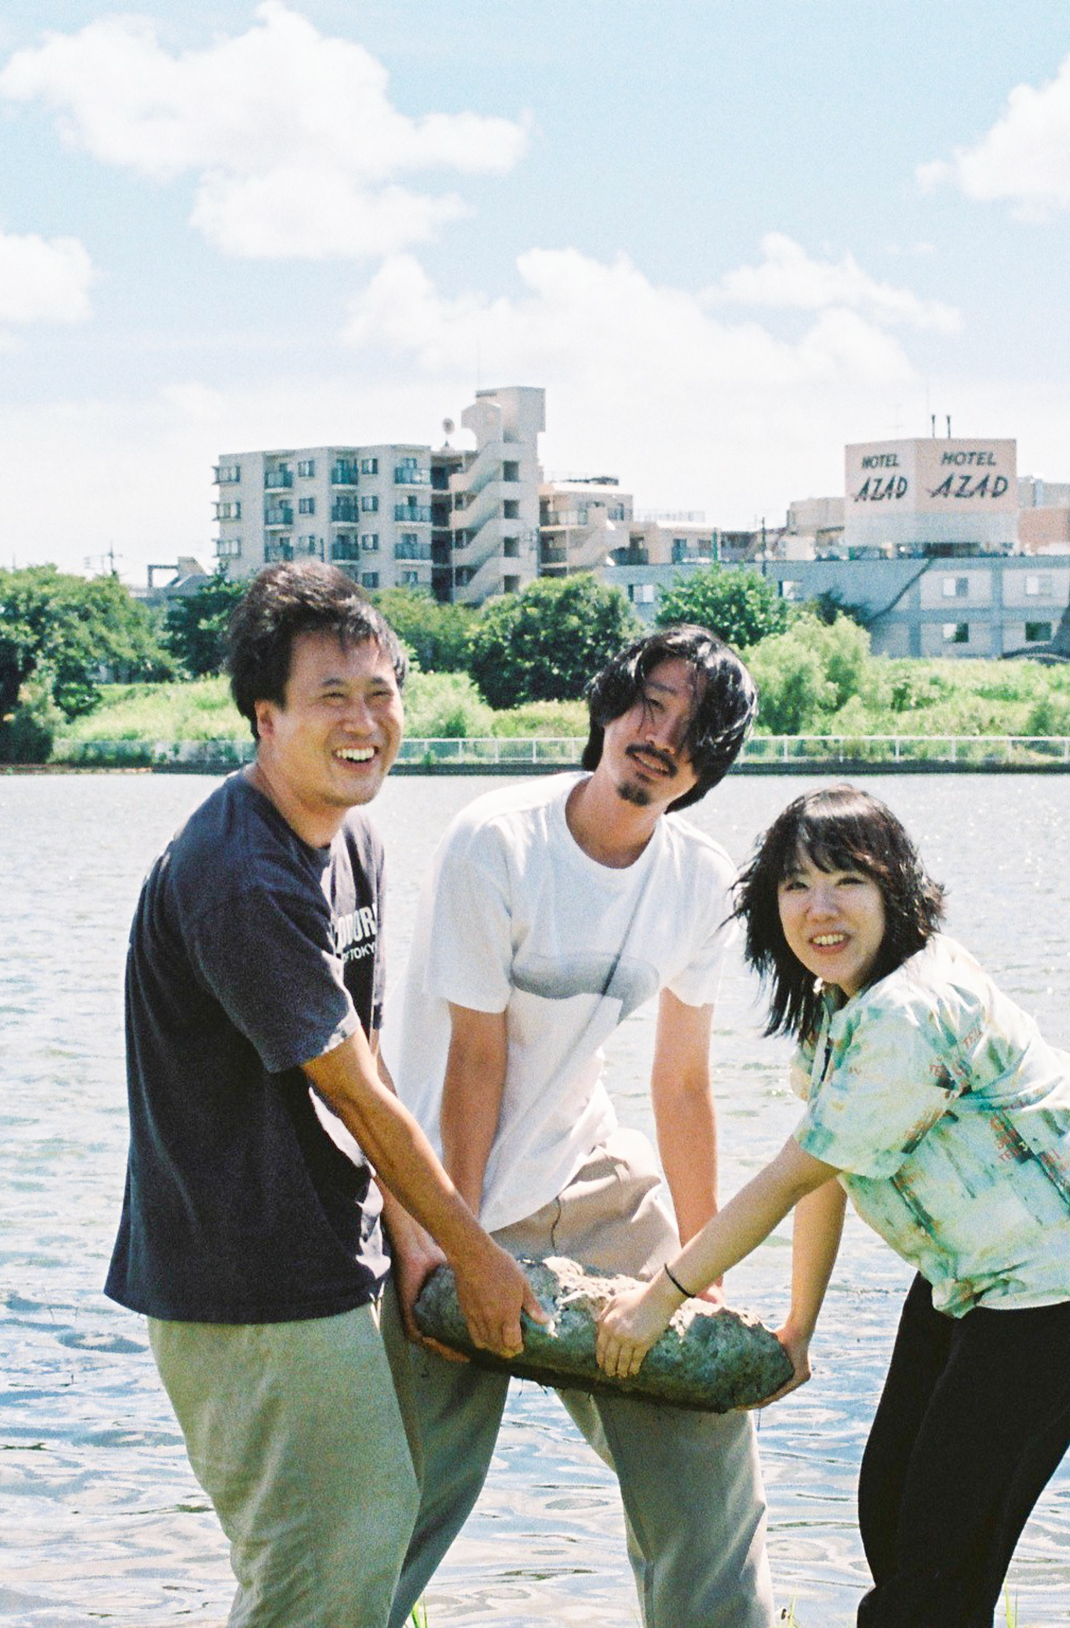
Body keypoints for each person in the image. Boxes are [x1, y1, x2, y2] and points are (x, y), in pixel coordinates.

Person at [596, 784, 1070, 1628]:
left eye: (845, 881)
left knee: (935, 1561)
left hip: (1062, 1276)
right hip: (975, 1270)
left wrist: (659, 1299)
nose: (819, 908)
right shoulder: (841, 1003)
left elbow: (788, 1177)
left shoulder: (906, 1013)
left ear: (894, 886)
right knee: (892, 1502)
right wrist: (799, 1327)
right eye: (794, 886)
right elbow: (824, 1166)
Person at [106, 562, 542, 1628]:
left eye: (380, 689)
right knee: (327, 1557)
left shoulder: (353, 838)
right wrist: (472, 1249)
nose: (364, 721)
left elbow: (371, 1042)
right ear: (265, 717)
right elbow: (346, 1086)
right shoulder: (239, 877)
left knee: (407, 1496)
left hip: (331, 1245)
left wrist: (419, 1240)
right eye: (329, 698)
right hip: (241, 1277)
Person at [383, 624, 773, 1628]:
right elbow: (475, 1065)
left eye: (692, 724)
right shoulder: (497, 840)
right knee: (401, 1513)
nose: (659, 734)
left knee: (704, 1448)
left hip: (590, 1173)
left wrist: (701, 1269)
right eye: (649, 700)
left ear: (710, 761)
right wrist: (454, 1248)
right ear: (607, 703)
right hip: (441, 1186)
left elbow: (681, 1083)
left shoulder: (698, 877)